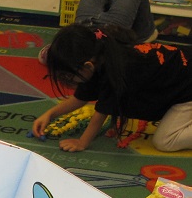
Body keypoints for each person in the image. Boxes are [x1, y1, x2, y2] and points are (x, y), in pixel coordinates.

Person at [32, 23, 192, 153]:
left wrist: (81, 142)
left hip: (187, 89)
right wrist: (49, 114)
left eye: (66, 77)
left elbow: (101, 113)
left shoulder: (116, 70)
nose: (65, 82)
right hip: (181, 79)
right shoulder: (97, 57)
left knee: (165, 141)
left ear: (87, 66)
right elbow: (79, 99)